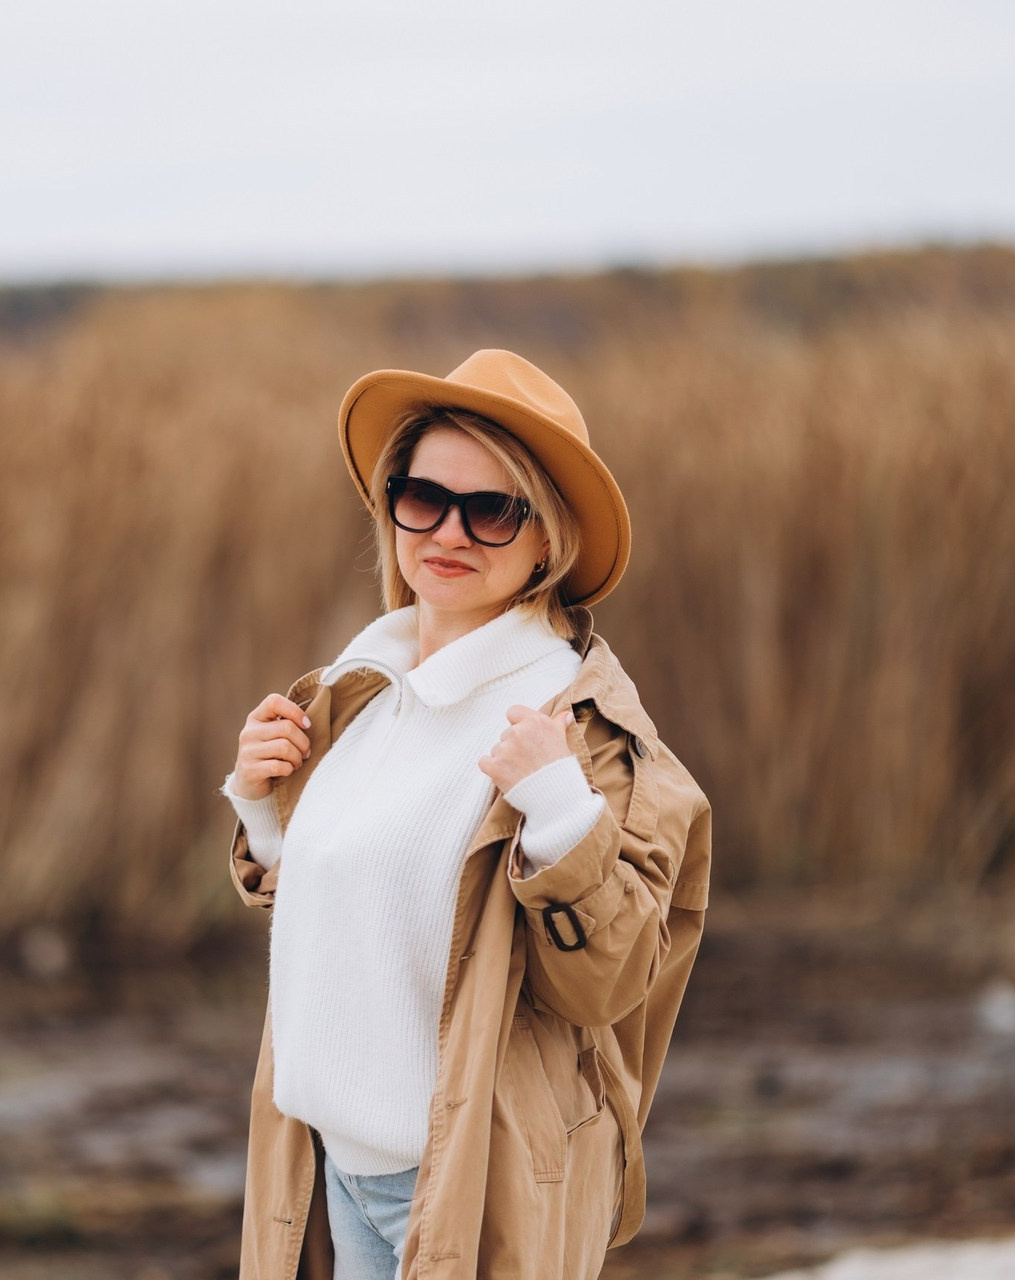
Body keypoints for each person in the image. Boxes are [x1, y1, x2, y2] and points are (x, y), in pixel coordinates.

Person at [224, 349, 711, 1280]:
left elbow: (611, 986)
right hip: (325, 1164)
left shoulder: (585, 734)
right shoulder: (357, 697)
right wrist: (264, 805)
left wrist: (561, 811)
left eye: (492, 509)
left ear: (547, 540)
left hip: (466, 1184)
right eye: (423, 497)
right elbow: (349, 913)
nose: (449, 531)